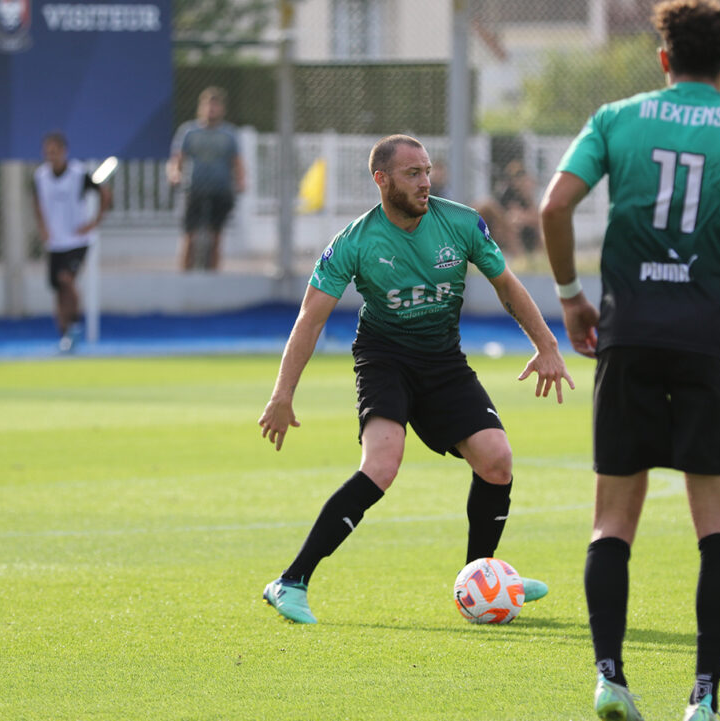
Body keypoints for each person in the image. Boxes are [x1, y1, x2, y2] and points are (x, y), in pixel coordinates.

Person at [538, 2, 720, 720]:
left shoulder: (617, 119)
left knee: (612, 519)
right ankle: (703, 696)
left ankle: (610, 677)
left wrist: (572, 297)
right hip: (708, 339)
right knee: (718, 520)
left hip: (628, 333)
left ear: (662, 59)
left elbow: (553, 207)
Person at [259, 134, 575, 624]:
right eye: (413, 174)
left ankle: (484, 579)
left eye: (428, 171)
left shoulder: (462, 222)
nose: (425, 182)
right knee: (382, 464)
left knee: (497, 460)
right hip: (384, 359)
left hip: (443, 360)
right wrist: (282, 395)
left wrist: (547, 346)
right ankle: (291, 580)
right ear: (381, 180)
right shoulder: (355, 242)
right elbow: (309, 320)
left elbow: (507, 285)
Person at [32, 131, 112, 353]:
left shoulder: (78, 173)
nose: (51, 156)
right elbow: (37, 203)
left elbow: (104, 193)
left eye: (55, 151)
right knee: (58, 289)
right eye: (48, 152)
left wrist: (94, 221)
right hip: (55, 242)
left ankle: (75, 324)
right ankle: (64, 335)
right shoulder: (40, 176)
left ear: (64, 152)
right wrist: (43, 228)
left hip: (77, 240)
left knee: (66, 279)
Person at [166, 86, 246, 271]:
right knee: (190, 236)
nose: (211, 110)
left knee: (216, 236)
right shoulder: (189, 131)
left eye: (215, 106)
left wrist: (241, 180)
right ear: (201, 107)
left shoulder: (228, 134)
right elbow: (177, 159)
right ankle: (184, 276)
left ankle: (213, 277)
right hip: (194, 189)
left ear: (222, 109)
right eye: (208, 106)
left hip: (220, 190)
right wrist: (174, 174)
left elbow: (237, 162)